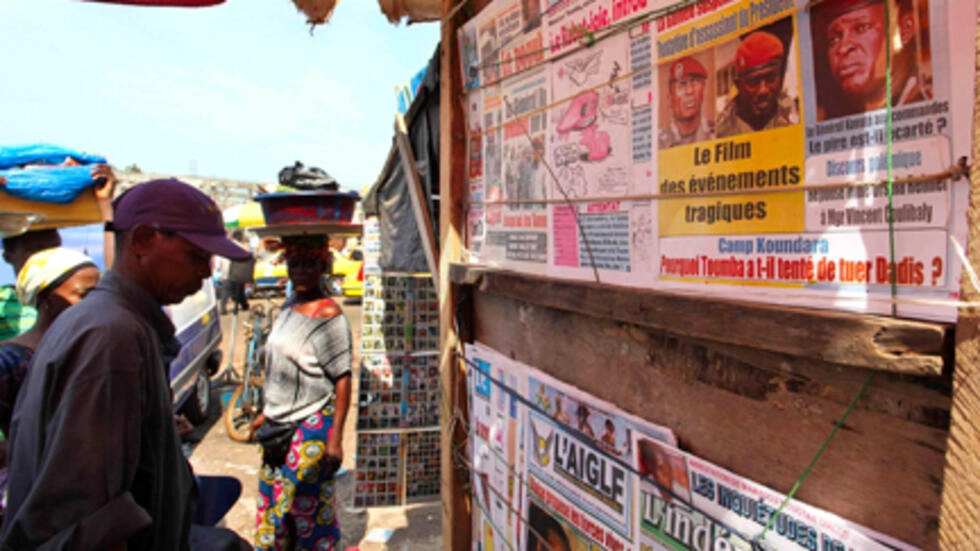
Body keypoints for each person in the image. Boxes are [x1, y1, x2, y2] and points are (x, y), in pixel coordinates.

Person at [1, 178, 252, 550]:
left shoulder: (113, 321)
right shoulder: (112, 335)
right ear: (142, 240)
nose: (205, 273)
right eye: (196, 256)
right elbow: (88, 520)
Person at [254, 234, 352, 551]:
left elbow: (342, 377)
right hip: (278, 422)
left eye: (309, 264)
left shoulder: (328, 315)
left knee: (306, 506)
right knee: (273, 505)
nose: (301, 271)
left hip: (311, 424)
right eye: (295, 264)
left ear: (323, 266)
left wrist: (336, 439)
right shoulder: (290, 305)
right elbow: (279, 367)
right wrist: (266, 412)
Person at [0, 164, 116, 342]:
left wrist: (105, 205)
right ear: (8, 256)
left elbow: (115, 275)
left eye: (55, 248)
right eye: (37, 251)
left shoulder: (84, 289)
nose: (51, 258)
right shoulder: (4, 302)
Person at [814, 0, 929, 119]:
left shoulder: (927, 108)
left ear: (905, 29)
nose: (843, 48)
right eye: (834, 39)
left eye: (861, 27)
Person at [716, 30, 799, 137]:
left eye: (770, 78)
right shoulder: (720, 129)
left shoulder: (797, 114)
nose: (763, 90)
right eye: (754, 82)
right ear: (738, 85)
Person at [659, 56, 715, 148]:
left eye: (695, 82)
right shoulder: (658, 142)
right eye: (682, 85)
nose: (689, 91)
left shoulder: (718, 134)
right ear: (670, 99)